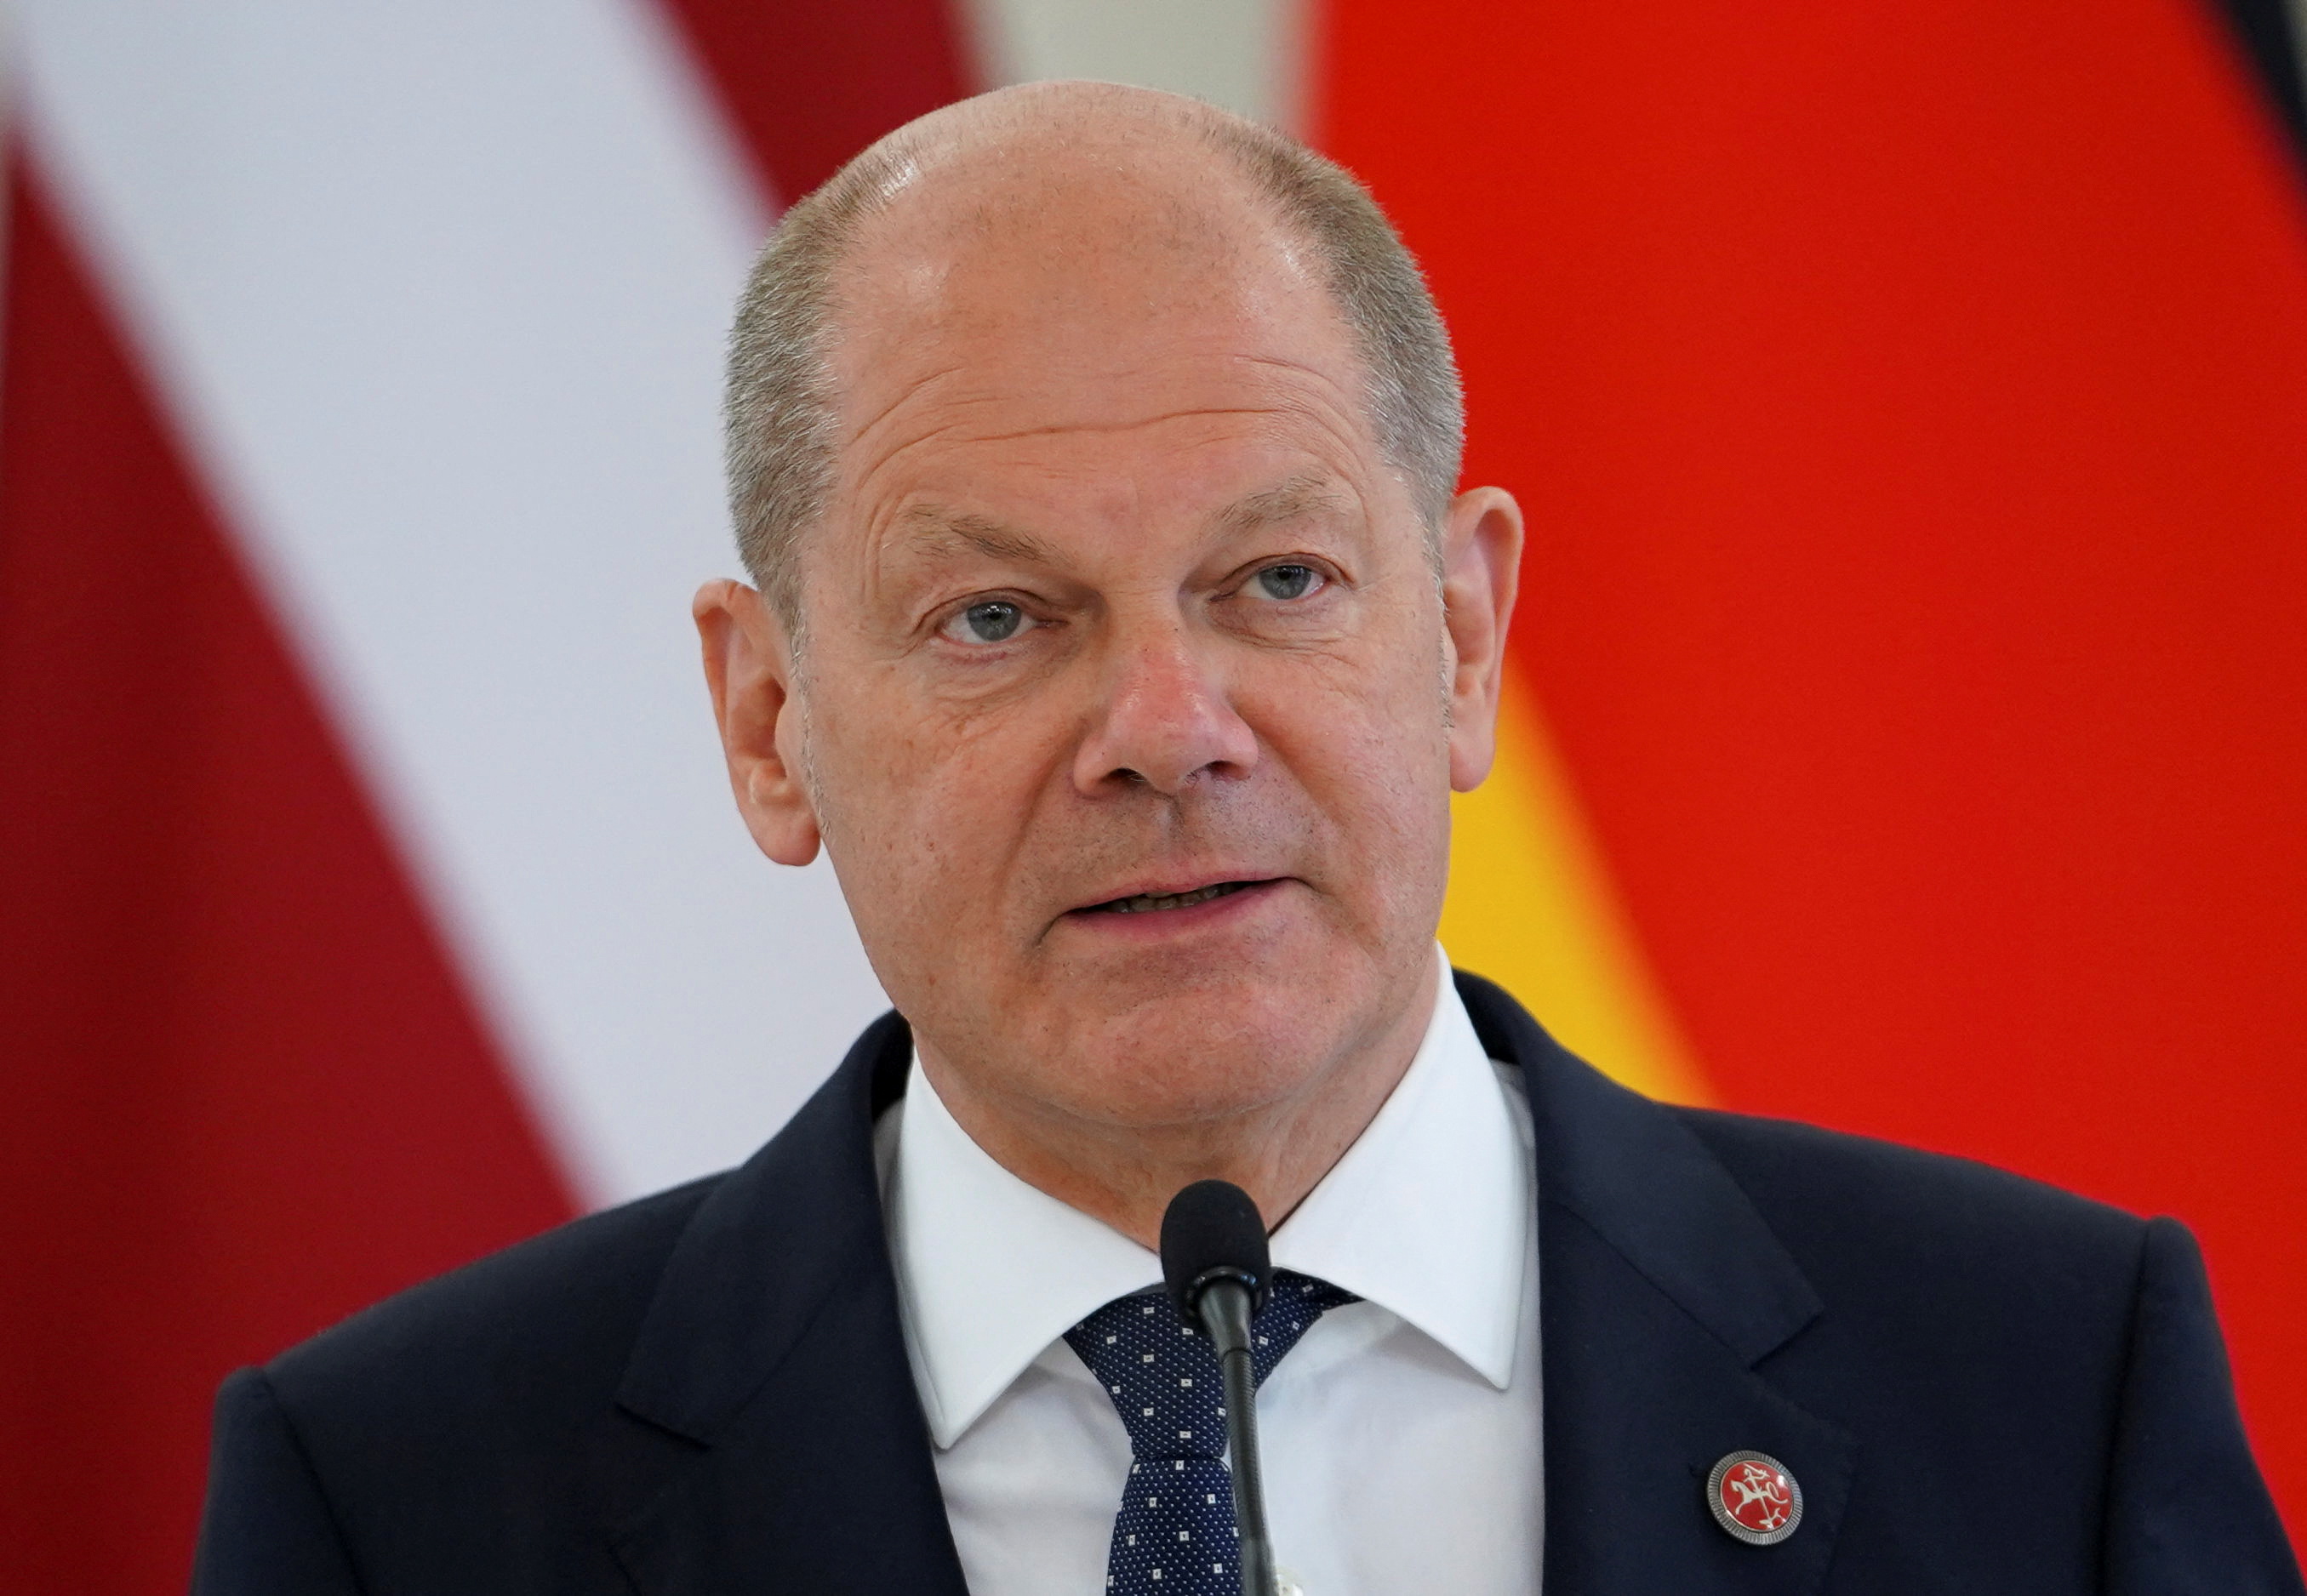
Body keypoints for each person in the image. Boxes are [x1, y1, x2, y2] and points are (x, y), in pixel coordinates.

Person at [191, 83, 2301, 1594]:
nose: (1166, 730)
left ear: (1461, 637)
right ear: (770, 720)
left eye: (1278, 580)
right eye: (998, 616)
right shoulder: (402, 1494)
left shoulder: (2045, 1380)